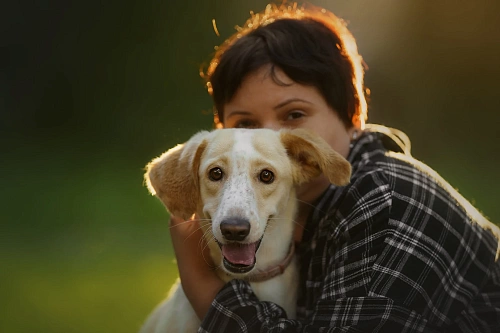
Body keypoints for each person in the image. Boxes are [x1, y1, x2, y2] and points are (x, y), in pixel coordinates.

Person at [168, 2, 500, 332]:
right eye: (246, 123)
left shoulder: (385, 203)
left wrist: (203, 284)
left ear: (355, 116)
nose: (271, 138)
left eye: (294, 115)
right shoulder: (294, 212)